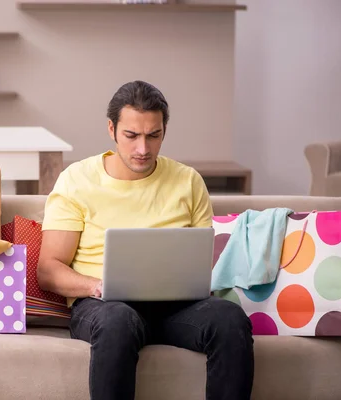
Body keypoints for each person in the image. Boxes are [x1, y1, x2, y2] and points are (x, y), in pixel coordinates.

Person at [37, 80, 254, 400]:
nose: (143, 148)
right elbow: (49, 269)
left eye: (154, 136)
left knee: (229, 318)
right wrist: (96, 286)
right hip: (103, 307)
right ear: (111, 129)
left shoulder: (188, 181)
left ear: (164, 131)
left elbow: (202, 260)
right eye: (131, 135)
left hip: (176, 309)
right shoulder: (77, 180)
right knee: (118, 320)